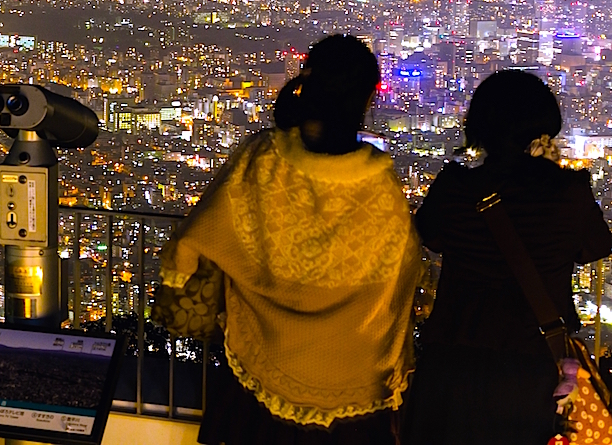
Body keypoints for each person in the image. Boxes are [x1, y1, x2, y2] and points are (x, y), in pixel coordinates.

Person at [161, 34, 421, 445]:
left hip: (264, 375)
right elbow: (404, 278)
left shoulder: (262, 162)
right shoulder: (382, 189)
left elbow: (200, 236)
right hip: (357, 382)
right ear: (368, 100)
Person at [402, 70, 612, 445]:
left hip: (451, 368)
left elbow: (429, 235)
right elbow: (596, 246)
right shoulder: (568, 194)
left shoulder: (454, 189)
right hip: (534, 372)